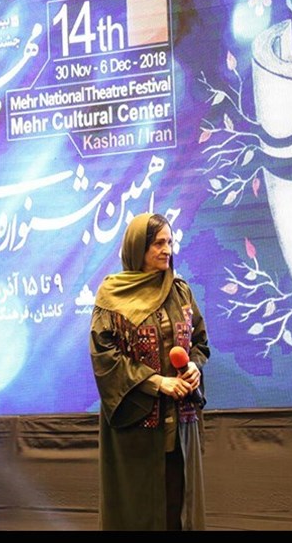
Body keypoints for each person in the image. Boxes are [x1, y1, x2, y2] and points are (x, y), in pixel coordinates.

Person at [89, 212, 210, 531]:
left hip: (180, 423)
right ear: (137, 247)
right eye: (158, 243)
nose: (167, 250)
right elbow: (105, 357)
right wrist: (157, 382)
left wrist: (194, 366)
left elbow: (199, 341)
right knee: (138, 510)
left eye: (170, 242)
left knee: (177, 506)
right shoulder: (112, 296)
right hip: (136, 426)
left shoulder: (180, 291)